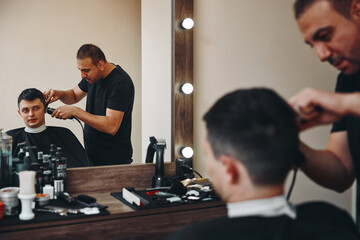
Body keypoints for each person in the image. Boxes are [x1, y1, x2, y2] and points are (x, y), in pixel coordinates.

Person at [167, 88, 359, 240]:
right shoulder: (332, 221)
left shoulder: (194, 237)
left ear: (229, 169)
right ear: (293, 158)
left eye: (209, 155)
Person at [290, 0, 360, 218]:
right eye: (313, 45)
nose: (322, 55)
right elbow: (341, 171)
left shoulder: (345, 100)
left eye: (325, 36)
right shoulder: (349, 80)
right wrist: (291, 143)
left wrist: (343, 104)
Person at [43, 44, 135, 166]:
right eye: (80, 70)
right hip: (92, 156)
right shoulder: (92, 77)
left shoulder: (120, 83)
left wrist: (76, 111)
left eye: (85, 70)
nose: (82, 75)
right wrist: (60, 94)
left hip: (114, 161)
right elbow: (74, 95)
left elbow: (111, 126)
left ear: (101, 65)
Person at [6, 88, 89, 168]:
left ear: (45, 109)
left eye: (36, 108)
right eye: (25, 110)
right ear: (20, 113)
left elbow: (84, 170)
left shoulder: (64, 134)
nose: (31, 114)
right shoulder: (9, 139)